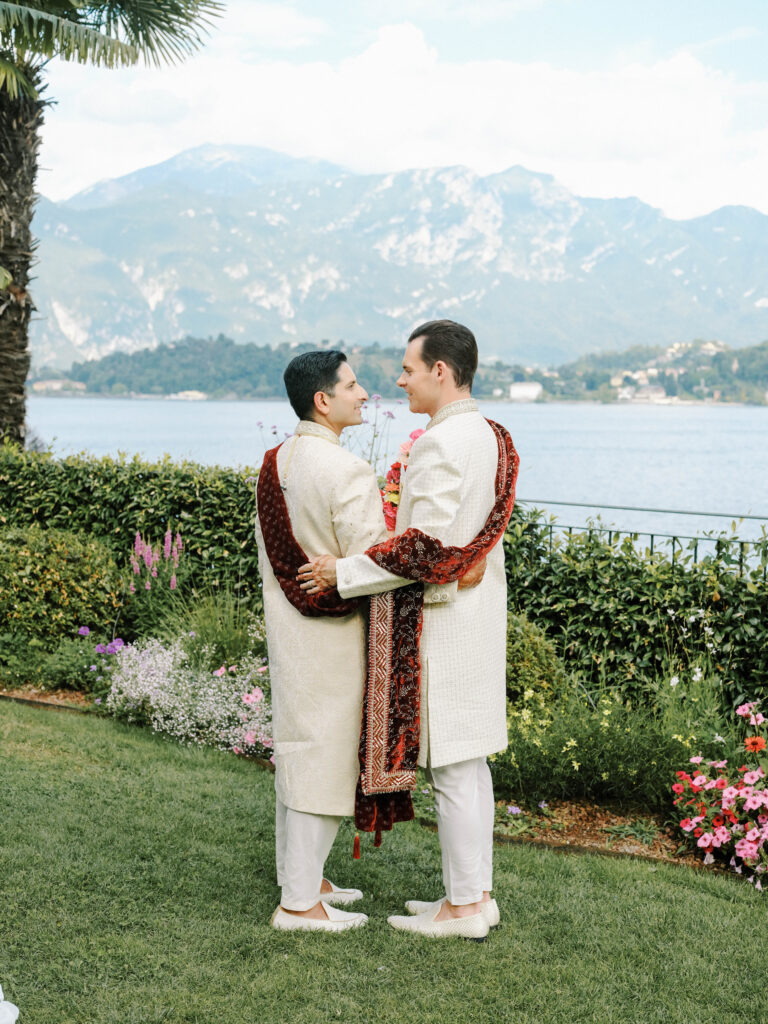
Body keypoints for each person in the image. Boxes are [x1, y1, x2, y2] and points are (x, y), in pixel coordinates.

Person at [298, 320, 516, 941]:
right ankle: (473, 895)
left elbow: (426, 550)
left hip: (443, 629)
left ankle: (464, 908)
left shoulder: (442, 444)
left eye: (409, 369)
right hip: (472, 621)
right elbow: (474, 541)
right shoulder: (490, 435)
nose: (399, 380)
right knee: (468, 768)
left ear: (440, 372)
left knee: (452, 769)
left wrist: (342, 572)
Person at [256, 349, 483, 933]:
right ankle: (299, 905)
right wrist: (453, 566)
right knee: (324, 766)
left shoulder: (276, 459)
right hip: (336, 639)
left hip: (291, 631)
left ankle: (307, 881)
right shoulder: (345, 471)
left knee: (298, 753)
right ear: (323, 400)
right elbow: (378, 559)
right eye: (353, 386)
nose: (365, 394)